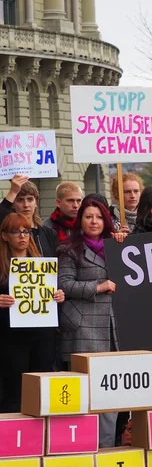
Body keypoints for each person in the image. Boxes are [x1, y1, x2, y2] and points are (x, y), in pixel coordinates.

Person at [57, 197, 120, 447]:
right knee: (84, 393)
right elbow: (63, 285)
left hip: (112, 328)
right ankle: (80, 446)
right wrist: (98, 286)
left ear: (105, 220)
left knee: (110, 394)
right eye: (88, 216)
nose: (94, 221)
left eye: (98, 217)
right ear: (80, 220)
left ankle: (105, 448)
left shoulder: (116, 246)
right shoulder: (69, 249)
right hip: (82, 327)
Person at [0, 214, 65, 412]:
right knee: (14, 392)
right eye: (16, 231)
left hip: (42, 336)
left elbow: (53, 296)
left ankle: (39, 439)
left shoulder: (42, 265)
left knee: (41, 391)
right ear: (4, 236)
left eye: (26, 231)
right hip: (11, 338)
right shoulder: (2, 266)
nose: (22, 236)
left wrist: (59, 296)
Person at [0, 175, 58, 257]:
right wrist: (13, 192)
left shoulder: (49, 233)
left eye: (30, 199)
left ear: (36, 202)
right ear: (13, 204)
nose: (26, 205)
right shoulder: (7, 230)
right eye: (20, 200)